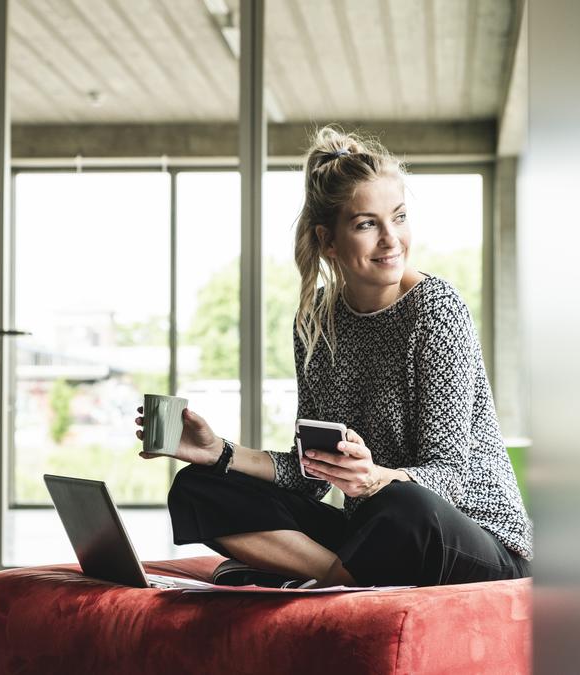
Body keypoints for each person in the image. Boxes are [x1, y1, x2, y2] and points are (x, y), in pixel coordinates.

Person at [135, 126, 531, 588]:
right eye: (367, 224)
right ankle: (334, 577)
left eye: (399, 218)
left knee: (404, 504)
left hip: (472, 539)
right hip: (375, 532)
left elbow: (453, 474)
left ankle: (324, 576)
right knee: (198, 487)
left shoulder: (436, 309)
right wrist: (219, 452)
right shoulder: (316, 323)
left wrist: (376, 478)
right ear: (328, 241)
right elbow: (310, 476)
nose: (391, 240)